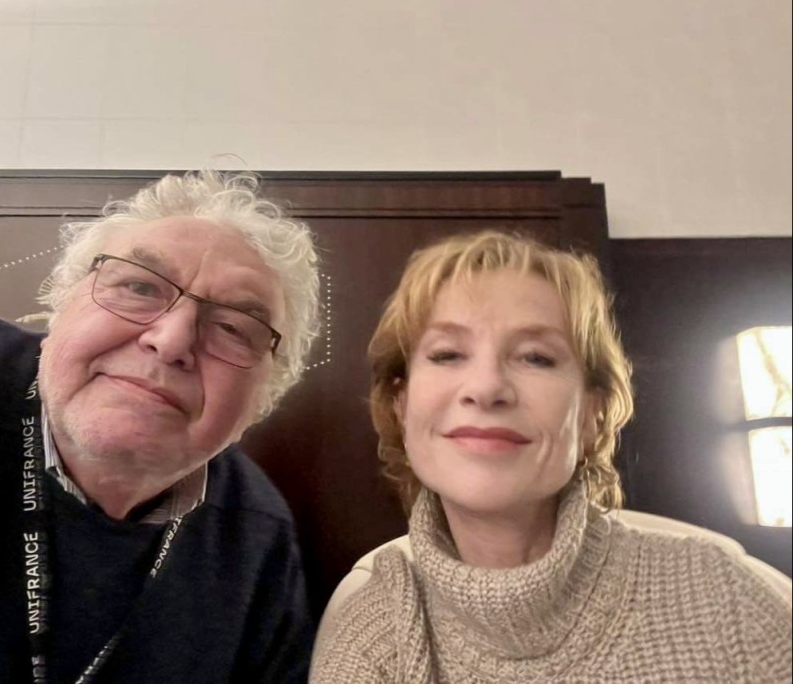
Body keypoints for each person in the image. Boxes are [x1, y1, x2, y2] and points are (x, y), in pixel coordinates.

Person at [311, 231, 792, 682]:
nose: (486, 387)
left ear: (592, 413)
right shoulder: (371, 634)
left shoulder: (731, 605)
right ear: (400, 405)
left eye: (535, 357)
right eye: (447, 354)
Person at [0, 170, 320, 682]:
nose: (171, 341)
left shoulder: (255, 537)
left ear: (264, 399)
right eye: (139, 286)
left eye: (232, 328)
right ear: (62, 306)